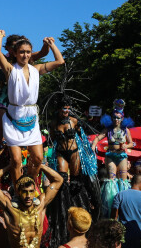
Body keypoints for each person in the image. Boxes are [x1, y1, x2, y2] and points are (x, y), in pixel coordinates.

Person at [0, 30, 65, 182]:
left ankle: (28, 185)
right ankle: (18, 191)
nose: (25, 55)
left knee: (38, 158)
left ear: (31, 54)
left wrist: (51, 45)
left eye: (28, 52)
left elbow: (60, 61)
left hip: (31, 117)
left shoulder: (36, 69)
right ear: (15, 54)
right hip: (13, 117)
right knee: (17, 160)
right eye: (22, 52)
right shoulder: (10, 70)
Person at [0, 34, 49, 168]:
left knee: (25, 134)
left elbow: (44, 52)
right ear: (9, 48)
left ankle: (21, 163)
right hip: (4, 100)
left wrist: (46, 43)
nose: (21, 52)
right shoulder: (4, 60)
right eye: (14, 46)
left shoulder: (27, 57)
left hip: (23, 105)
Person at [48, 96, 101, 247]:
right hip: (60, 152)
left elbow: (82, 136)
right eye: (63, 108)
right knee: (63, 179)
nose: (66, 111)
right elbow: (52, 139)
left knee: (76, 182)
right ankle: (63, 207)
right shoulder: (53, 123)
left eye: (68, 108)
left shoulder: (74, 121)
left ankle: (79, 204)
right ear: (59, 109)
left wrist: (88, 152)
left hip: (74, 152)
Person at [0, 161, 63, 248]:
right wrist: (9, 166)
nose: (28, 196)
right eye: (24, 192)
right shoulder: (10, 208)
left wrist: (40, 166)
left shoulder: (40, 206)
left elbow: (59, 180)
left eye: (31, 191)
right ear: (18, 192)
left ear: (34, 192)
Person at [91, 99, 135, 216]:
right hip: (110, 155)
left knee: (123, 180)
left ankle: (124, 205)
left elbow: (132, 143)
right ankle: (111, 207)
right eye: (114, 117)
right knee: (111, 180)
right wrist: (93, 145)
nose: (116, 120)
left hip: (122, 156)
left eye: (118, 118)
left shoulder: (126, 130)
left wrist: (126, 145)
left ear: (122, 119)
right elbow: (97, 137)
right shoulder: (108, 129)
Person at [110, 174, 141, 248]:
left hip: (124, 235)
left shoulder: (120, 195)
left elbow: (114, 217)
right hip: (140, 235)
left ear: (131, 183)